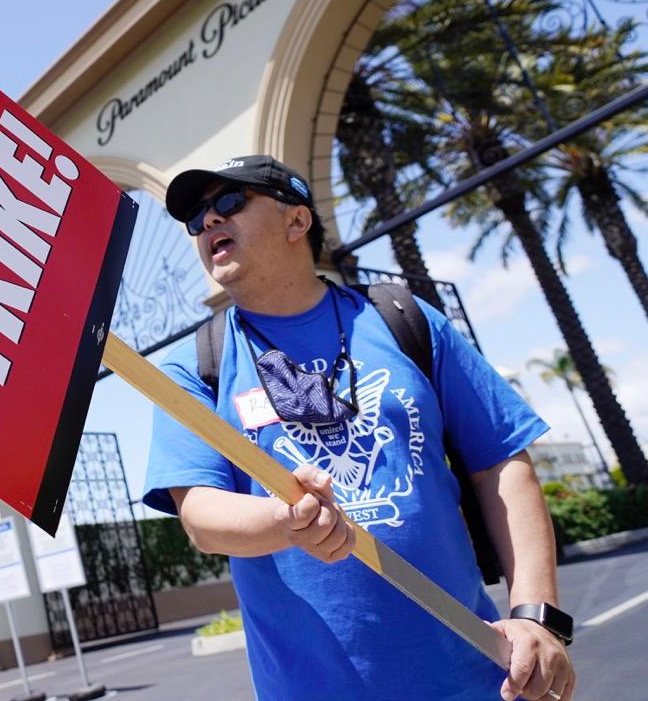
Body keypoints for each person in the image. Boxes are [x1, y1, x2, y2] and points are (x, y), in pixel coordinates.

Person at [143, 155, 576, 701]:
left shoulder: (406, 320)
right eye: (196, 217)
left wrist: (537, 616)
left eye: (229, 202)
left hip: (476, 679)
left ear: (297, 222)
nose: (208, 222)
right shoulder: (194, 366)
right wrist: (286, 520)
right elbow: (201, 515)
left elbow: (502, 463)